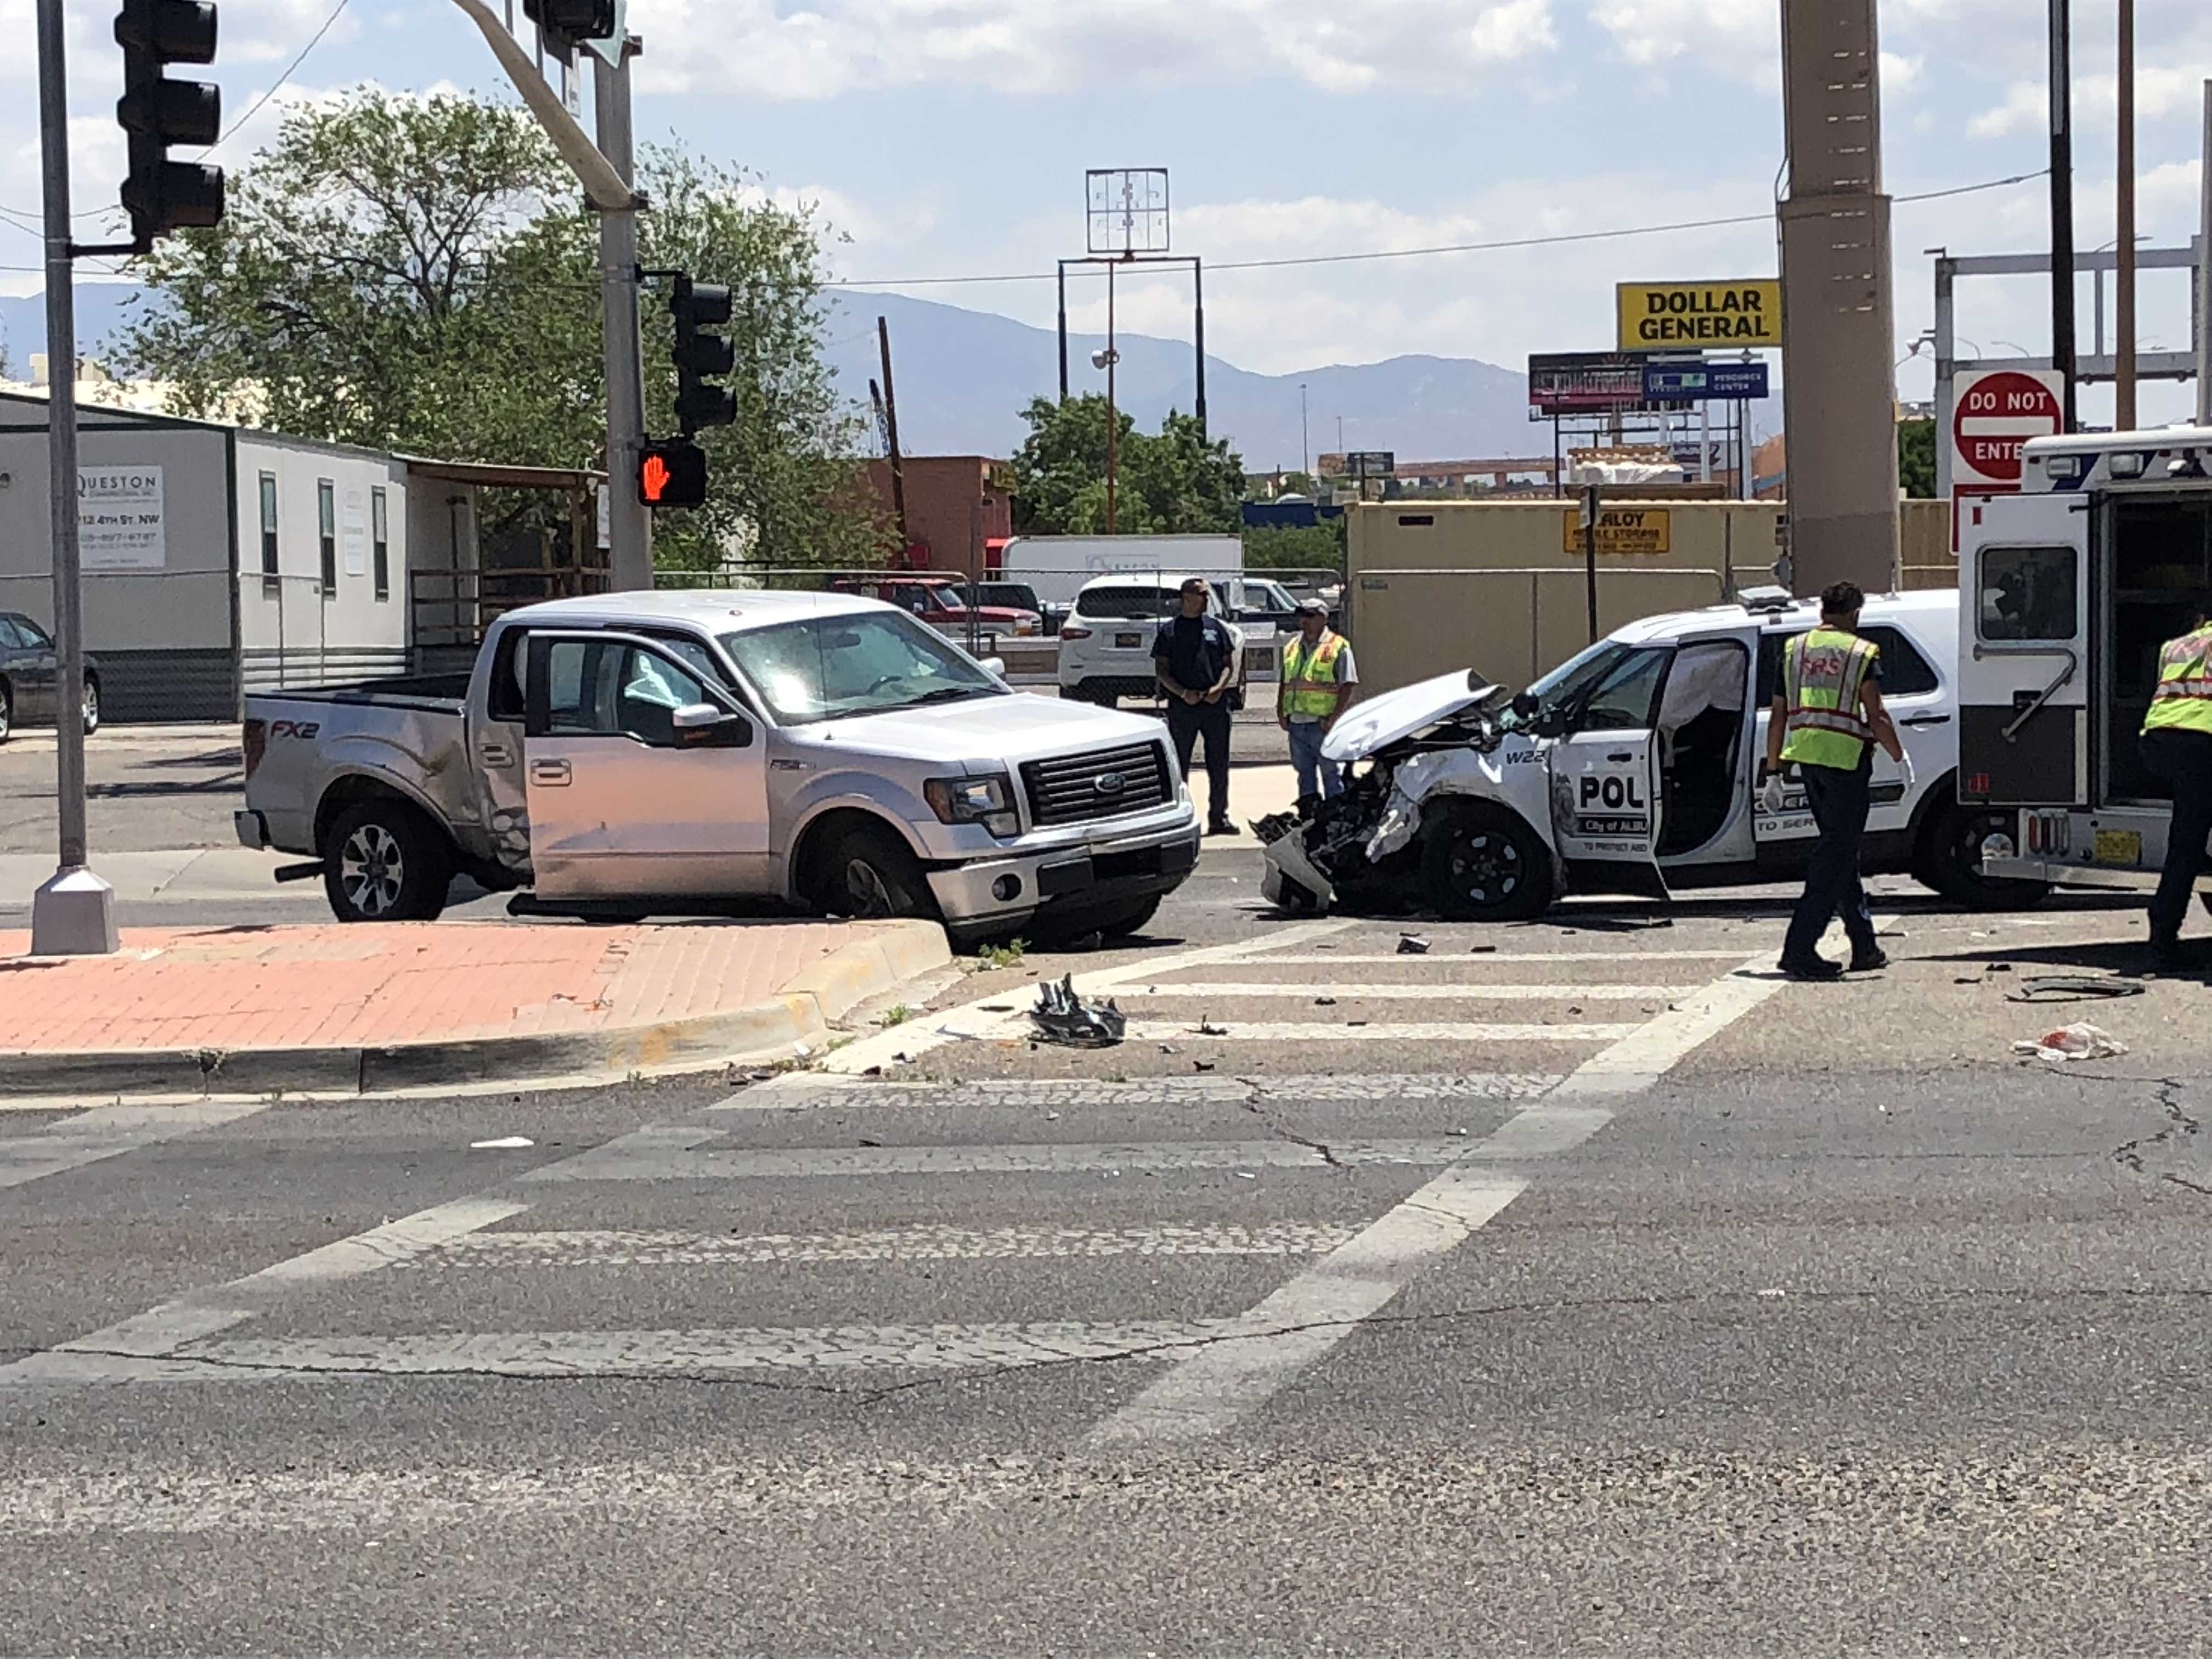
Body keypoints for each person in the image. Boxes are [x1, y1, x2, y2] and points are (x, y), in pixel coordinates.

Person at [1763, 580, 1904, 981]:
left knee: (1841, 854)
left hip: (1808, 760)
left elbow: (1778, 715)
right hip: (1846, 763)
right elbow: (1876, 715)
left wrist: (1773, 771)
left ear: (1823, 610)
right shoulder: (1861, 652)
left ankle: (1864, 945)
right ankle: (1799, 949)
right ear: (1855, 614)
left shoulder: (1794, 650)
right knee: (1834, 858)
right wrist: (1899, 755)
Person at [2138, 597, 2212, 969]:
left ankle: (2162, 935)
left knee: (2187, 839)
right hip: (2203, 742)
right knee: (2187, 843)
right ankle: (2163, 939)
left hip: (2158, 742)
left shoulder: (2174, 646)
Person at [1152, 577, 1241, 834]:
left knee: (1219, 763)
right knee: (1179, 763)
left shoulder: (1216, 628)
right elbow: (1161, 671)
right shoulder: (1169, 631)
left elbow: (1228, 664)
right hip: (1184, 707)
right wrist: (1182, 693)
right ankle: (1180, 816)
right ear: (1186, 598)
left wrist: (1219, 688)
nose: (1205, 600)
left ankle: (1218, 817)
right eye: (1201, 595)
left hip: (1215, 705)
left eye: (1205, 596)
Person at [1277, 598, 1358, 803]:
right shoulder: (1292, 646)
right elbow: (1285, 681)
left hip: (1322, 725)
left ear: (1324, 618)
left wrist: (1332, 719)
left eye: (1310, 616)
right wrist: (1281, 712)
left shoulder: (1338, 647)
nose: (1304, 621)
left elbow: (1348, 685)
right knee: (1304, 776)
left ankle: (1335, 820)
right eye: (1302, 615)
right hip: (1297, 724)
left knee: (1332, 775)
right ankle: (1309, 818)